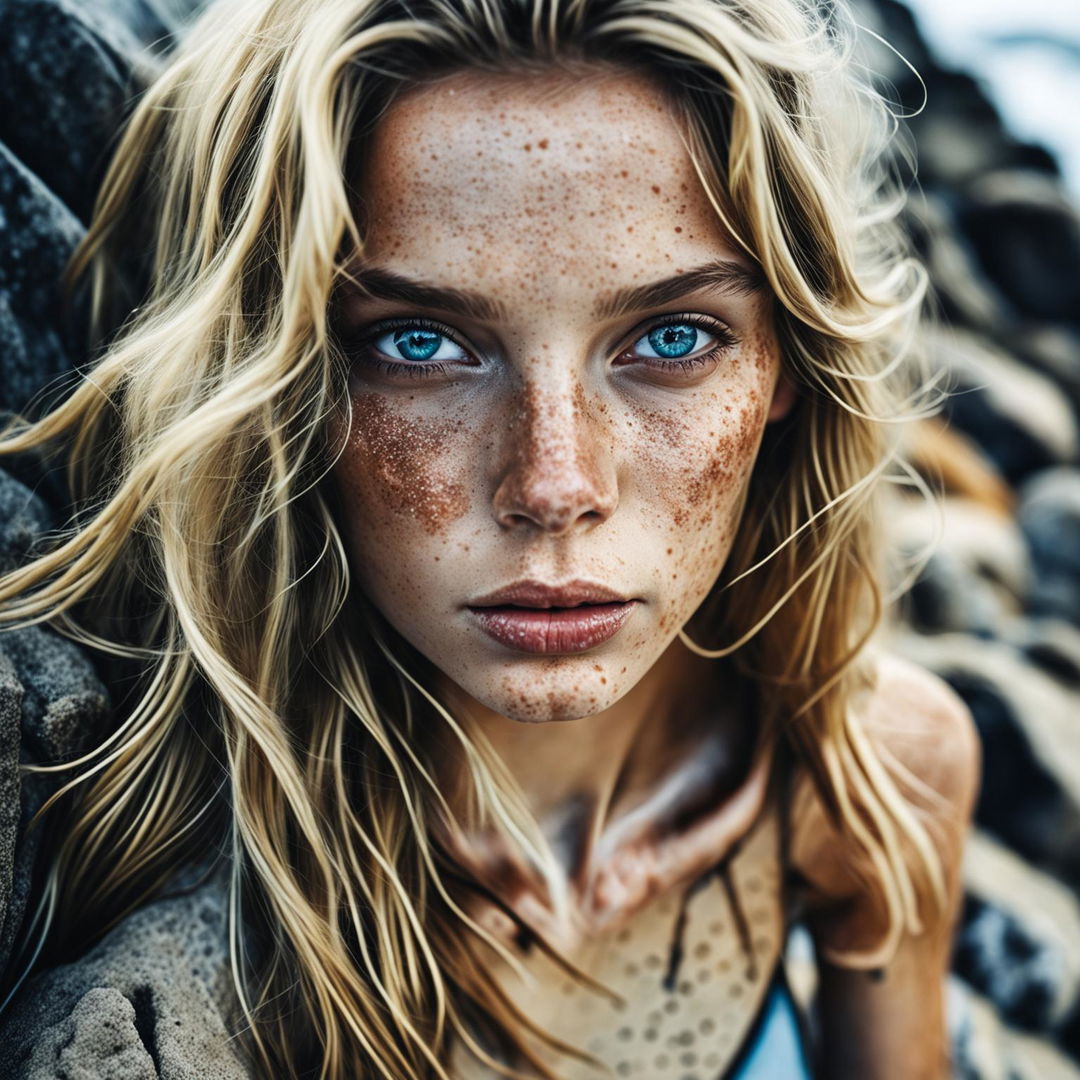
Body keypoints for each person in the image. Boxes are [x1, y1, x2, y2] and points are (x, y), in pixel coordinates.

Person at [0, 0, 982, 1075]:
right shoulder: (129, 832)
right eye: (419, 343)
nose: (553, 484)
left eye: (671, 336)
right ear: (280, 382)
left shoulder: (873, 776)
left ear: (786, 367)